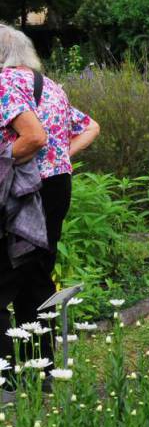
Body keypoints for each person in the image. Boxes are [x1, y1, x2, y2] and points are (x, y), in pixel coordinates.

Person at [0, 24, 99, 401]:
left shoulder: (5, 83)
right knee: (37, 277)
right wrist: (61, 157)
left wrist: (7, 160)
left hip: (22, 191)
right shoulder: (50, 86)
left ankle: (5, 378)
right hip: (56, 187)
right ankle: (40, 372)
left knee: (3, 277)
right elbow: (89, 126)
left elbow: (35, 137)